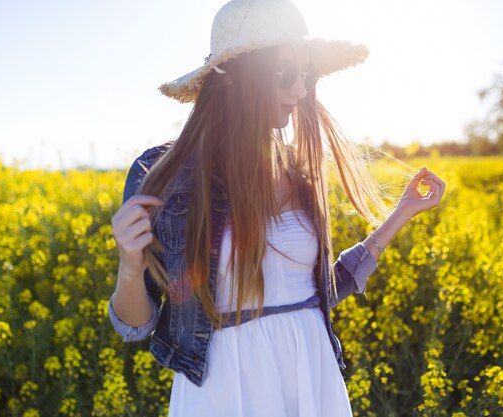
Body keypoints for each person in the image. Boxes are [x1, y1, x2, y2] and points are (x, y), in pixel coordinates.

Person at [108, 0, 445, 415]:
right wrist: (130, 264)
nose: (300, 89)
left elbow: (310, 295)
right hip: (226, 387)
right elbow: (136, 325)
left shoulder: (299, 169)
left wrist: (402, 213)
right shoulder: (166, 175)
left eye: (307, 74)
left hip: (312, 375)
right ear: (233, 77)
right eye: (286, 73)